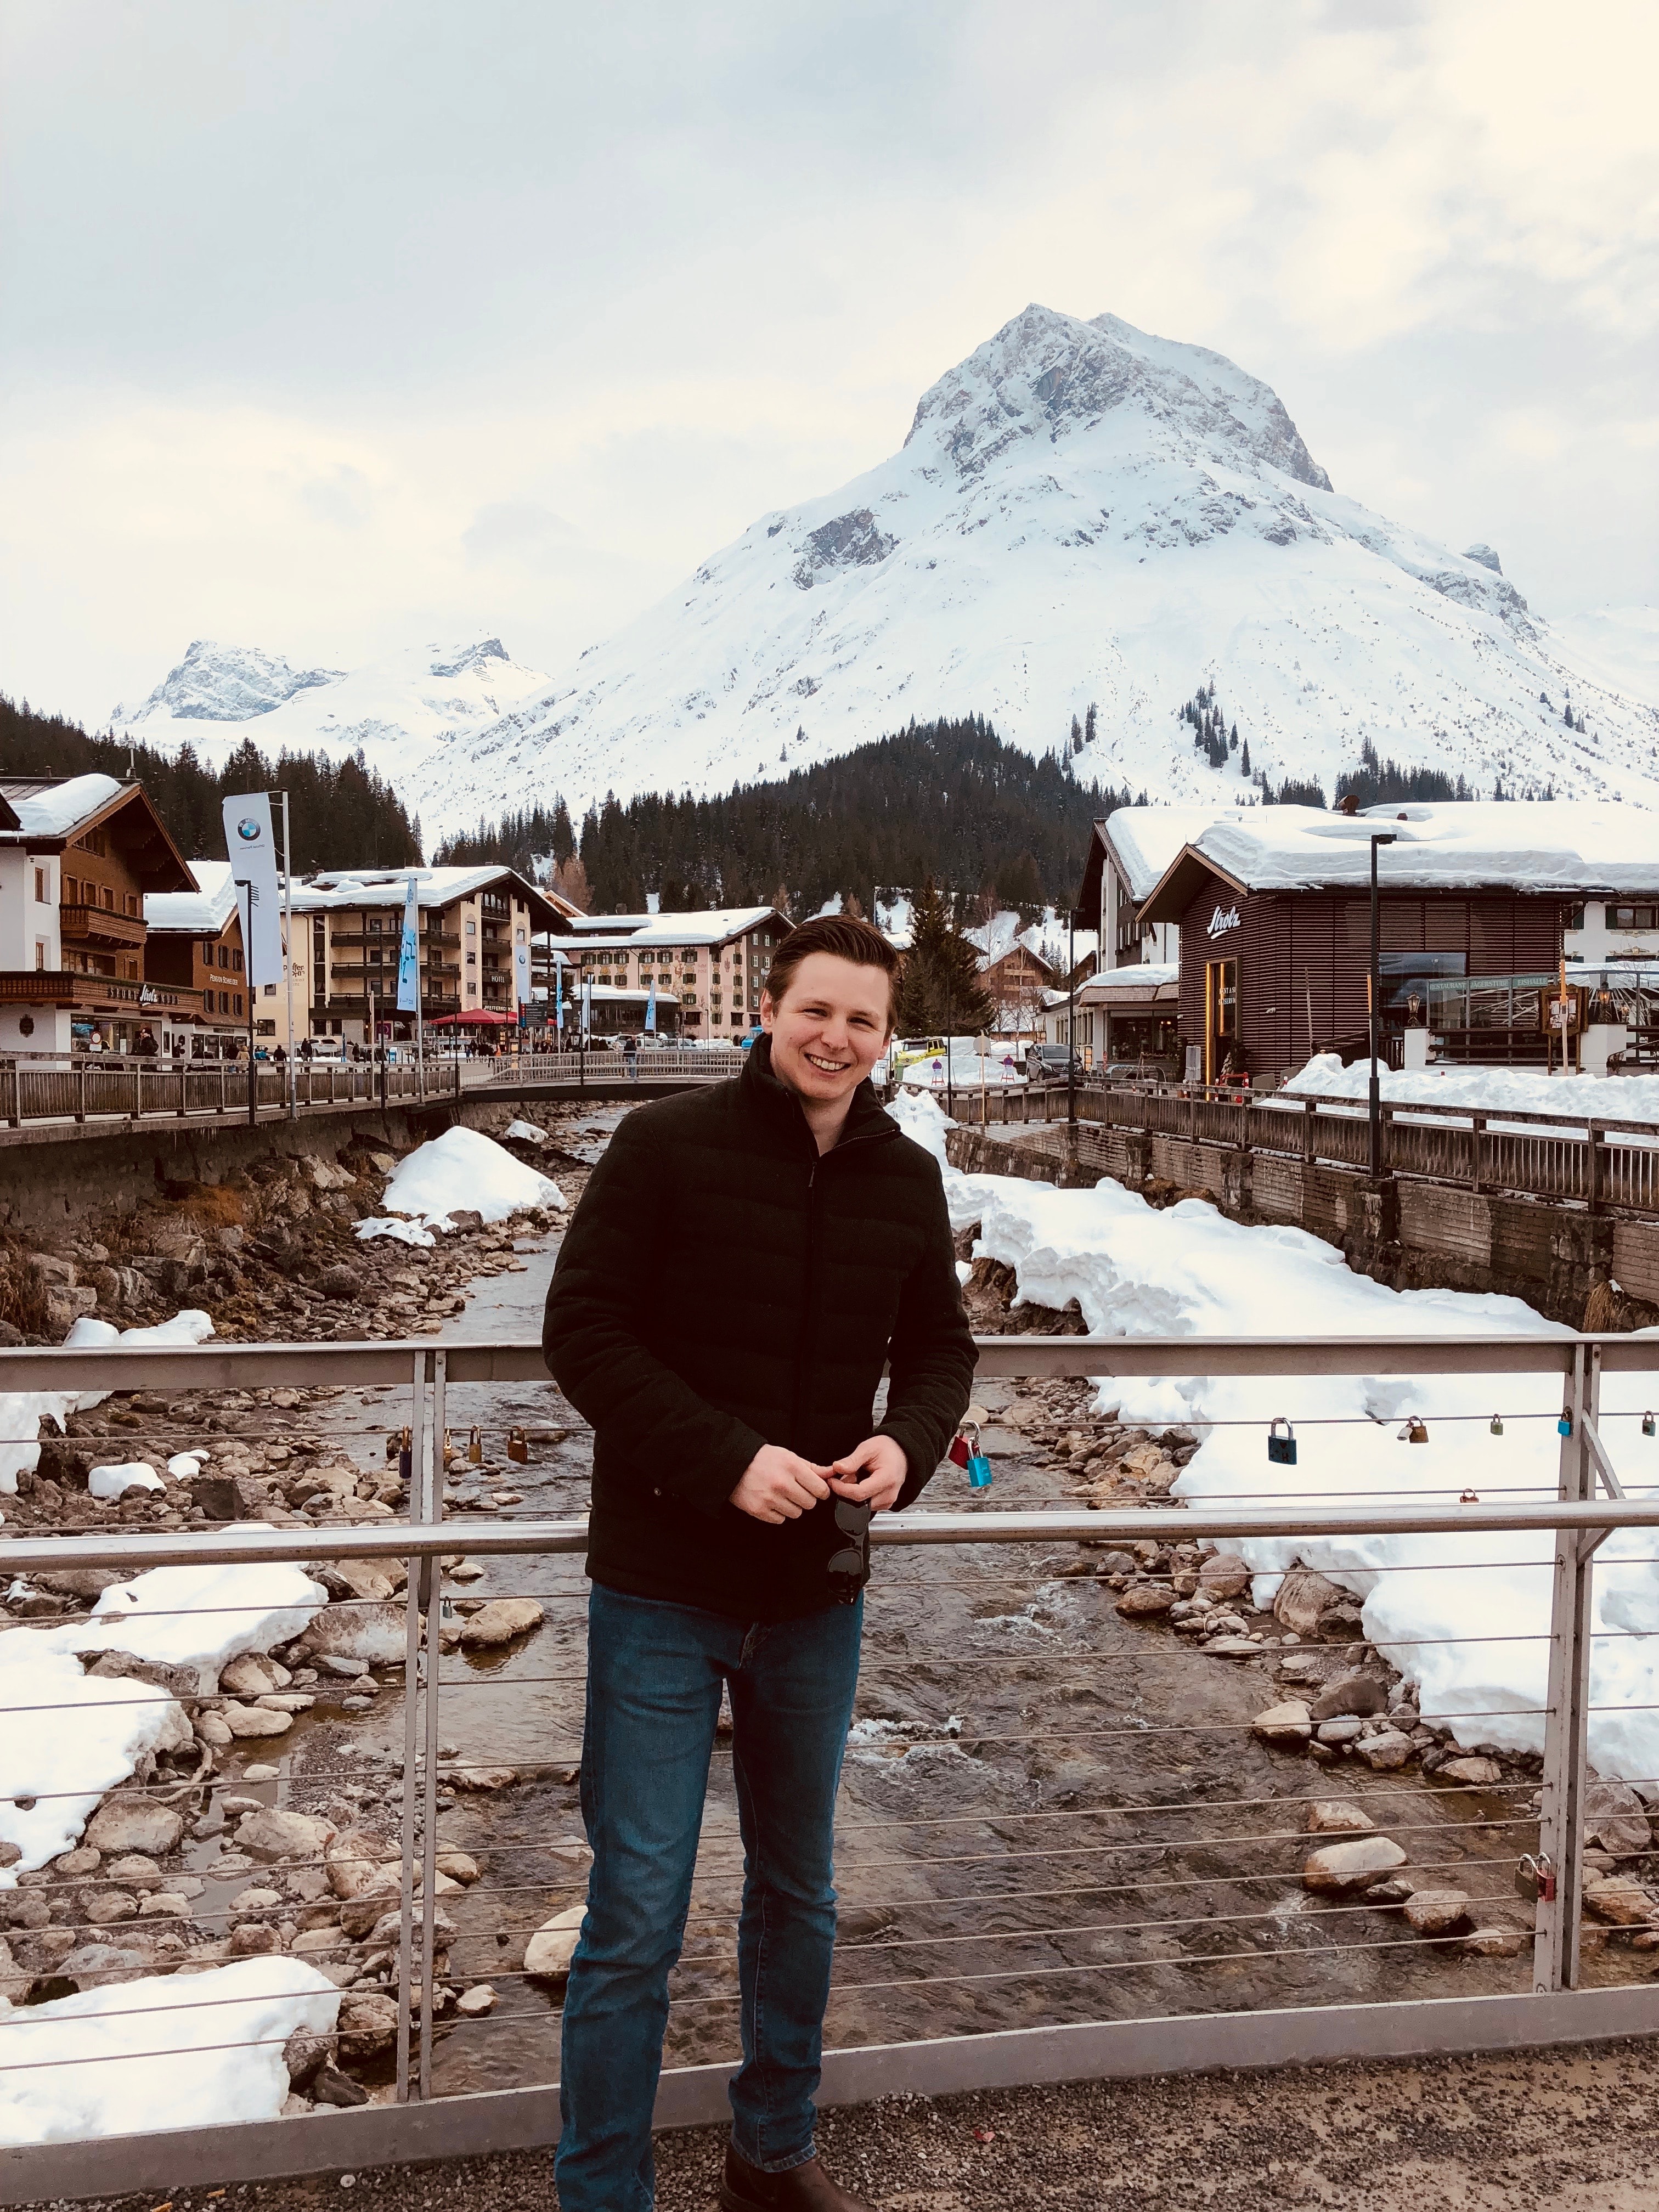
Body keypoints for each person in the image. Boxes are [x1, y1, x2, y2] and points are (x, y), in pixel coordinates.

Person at [543, 913, 974, 2212]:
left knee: (800, 1896)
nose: (835, 1038)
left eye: (863, 1020)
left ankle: (771, 2156)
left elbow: (941, 1350)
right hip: (662, 1585)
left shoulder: (905, 1176)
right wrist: (726, 1459)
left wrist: (907, 1443)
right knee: (636, 1913)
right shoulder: (664, 1143)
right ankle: (602, 2195)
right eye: (816, 1011)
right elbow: (584, 1330)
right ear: (769, 1012)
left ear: (887, 1039)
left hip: (813, 1592)